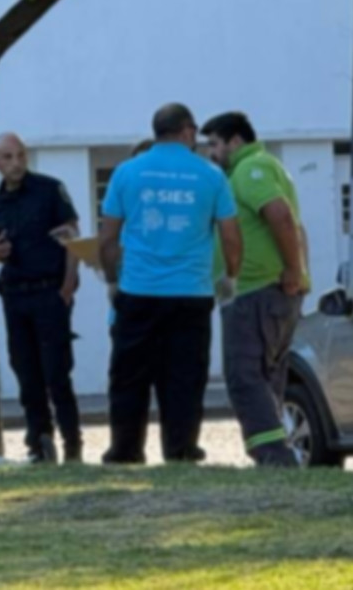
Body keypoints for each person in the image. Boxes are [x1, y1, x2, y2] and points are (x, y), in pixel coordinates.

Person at [98, 103, 242, 464]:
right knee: (184, 377)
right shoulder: (210, 176)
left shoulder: (126, 173)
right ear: (187, 132)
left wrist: (113, 280)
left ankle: (125, 450)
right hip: (191, 295)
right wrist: (230, 277)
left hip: (138, 292)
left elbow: (106, 239)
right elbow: (231, 236)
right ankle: (181, 449)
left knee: (129, 377)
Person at [201, 111, 310, 468]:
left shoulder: (250, 171)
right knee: (265, 378)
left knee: (244, 376)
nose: (211, 154)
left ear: (235, 142)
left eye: (215, 144)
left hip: (257, 291)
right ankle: (277, 453)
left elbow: (280, 216)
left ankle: (273, 456)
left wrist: (292, 270)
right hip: (266, 292)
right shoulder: (259, 168)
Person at [0, 133, 83, 464]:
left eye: (20, 155)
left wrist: (67, 288)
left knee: (57, 373)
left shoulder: (48, 189)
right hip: (15, 295)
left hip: (49, 292)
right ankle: (39, 444)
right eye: (7, 157)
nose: (15, 163)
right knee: (26, 374)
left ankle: (73, 444)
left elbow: (73, 237)